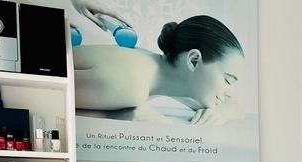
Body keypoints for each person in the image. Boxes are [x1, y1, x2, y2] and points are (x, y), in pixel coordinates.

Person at [73, 14, 245, 125]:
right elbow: (60, 97)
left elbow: (235, 108)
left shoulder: (163, 75)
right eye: (227, 80)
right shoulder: (133, 86)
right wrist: (113, 116)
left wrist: (220, 112)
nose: (230, 93)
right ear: (193, 61)